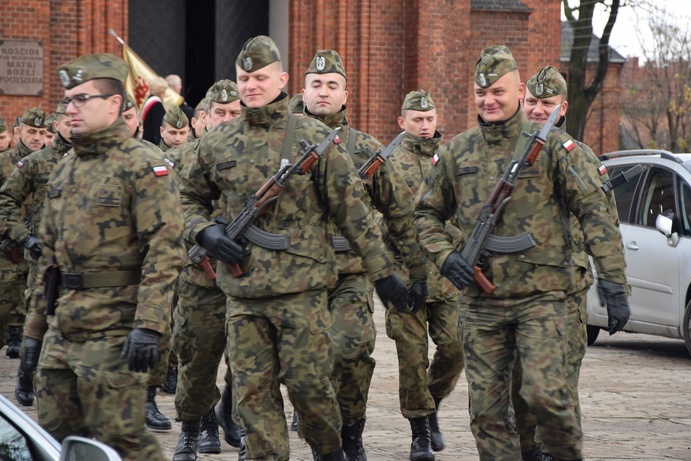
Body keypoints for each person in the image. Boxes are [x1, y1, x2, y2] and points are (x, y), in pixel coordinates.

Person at [180, 35, 412, 461]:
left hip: (302, 295)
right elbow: (182, 199)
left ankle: (332, 451)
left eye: (260, 77)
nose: (251, 85)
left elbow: (353, 212)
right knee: (253, 399)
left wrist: (384, 274)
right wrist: (203, 232)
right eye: (244, 77)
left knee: (311, 394)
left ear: (283, 80)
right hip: (243, 295)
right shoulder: (216, 143)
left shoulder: (313, 139)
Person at [413, 45, 630, 461]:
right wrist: (446, 257)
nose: (488, 101)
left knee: (545, 397)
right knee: (487, 415)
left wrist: (614, 282)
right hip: (481, 305)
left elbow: (595, 215)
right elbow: (425, 215)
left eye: (497, 91)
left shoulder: (553, 150)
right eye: (480, 93)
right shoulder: (458, 152)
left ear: (518, 92)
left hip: (543, 300)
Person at [18, 53, 184, 461]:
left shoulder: (144, 165)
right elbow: (50, 262)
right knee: (55, 438)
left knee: (120, 437)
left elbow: (164, 252)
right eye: (67, 99)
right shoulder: (65, 168)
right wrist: (34, 332)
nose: (69, 108)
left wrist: (149, 326)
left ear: (113, 105)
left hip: (115, 329)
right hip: (64, 327)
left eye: (81, 99)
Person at [302, 49, 425, 461]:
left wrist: (417, 269)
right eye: (316, 85)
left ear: (345, 94)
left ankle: (351, 432)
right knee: (303, 364)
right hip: (293, 276)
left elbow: (400, 213)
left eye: (332, 85)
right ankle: (318, 438)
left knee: (352, 351)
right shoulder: (279, 146)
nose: (324, 92)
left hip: (350, 273)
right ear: (302, 91)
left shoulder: (365, 150)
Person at [513, 66, 616, 461]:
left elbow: (603, 225)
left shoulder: (581, 158)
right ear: (522, 101)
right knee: (515, 386)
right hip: (510, 292)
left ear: (563, 108)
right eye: (532, 102)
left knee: (559, 383)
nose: (538, 111)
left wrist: (612, 281)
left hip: (565, 294)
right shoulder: (500, 153)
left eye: (547, 104)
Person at [387, 90, 464, 460]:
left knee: (455, 349)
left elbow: (464, 211)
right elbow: (374, 220)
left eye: (429, 119)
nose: (424, 125)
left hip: (446, 279)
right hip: (405, 278)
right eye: (417, 120)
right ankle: (419, 431)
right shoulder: (387, 163)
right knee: (412, 358)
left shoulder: (448, 160)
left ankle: (430, 402)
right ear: (402, 122)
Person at [171, 79, 244, 461]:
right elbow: (170, 218)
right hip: (199, 279)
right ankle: (192, 428)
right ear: (204, 118)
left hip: (247, 278)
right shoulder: (184, 159)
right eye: (221, 113)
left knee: (247, 360)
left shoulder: (256, 159)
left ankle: (234, 417)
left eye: (236, 113)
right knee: (196, 360)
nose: (228, 120)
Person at [0, 100, 72, 407]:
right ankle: (26, 375)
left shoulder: (95, 162)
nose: (75, 125)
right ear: (57, 125)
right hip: (42, 257)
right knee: (38, 315)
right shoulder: (36, 162)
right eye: (68, 120)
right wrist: (24, 238)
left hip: (82, 258)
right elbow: (5, 202)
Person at [0, 107, 46, 359]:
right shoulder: (4, 162)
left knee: (33, 306)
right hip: (8, 246)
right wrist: (9, 232)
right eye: (31, 131)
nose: (36, 137)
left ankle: (26, 362)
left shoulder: (54, 161)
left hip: (38, 246)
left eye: (41, 132)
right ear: (18, 132)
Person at [142, 76, 169, 145]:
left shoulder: (149, 101)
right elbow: (157, 127)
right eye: (164, 91)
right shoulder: (157, 105)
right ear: (161, 91)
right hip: (152, 143)